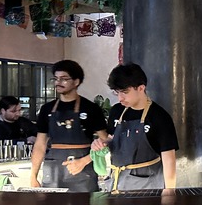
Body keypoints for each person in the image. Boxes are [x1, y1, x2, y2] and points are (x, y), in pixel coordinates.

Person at [91, 63, 178, 191]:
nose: (120, 98)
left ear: (141, 88)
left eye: (125, 92)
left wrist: (170, 192)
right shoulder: (116, 111)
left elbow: (169, 159)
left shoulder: (159, 117)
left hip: (147, 187)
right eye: (117, 92)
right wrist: (100, 144)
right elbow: (112, 140)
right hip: (117, 185)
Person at [30, 60, 108, 191]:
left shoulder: (91, 109)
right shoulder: (46, 109)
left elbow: (106, 142)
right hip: (53, 172)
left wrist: (84, 161)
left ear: (76, 82)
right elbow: (40, 144)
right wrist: (33, 175)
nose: (58, 82)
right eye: (55, 78)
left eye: (64, 79)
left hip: (82, 173)